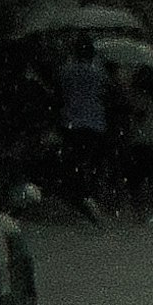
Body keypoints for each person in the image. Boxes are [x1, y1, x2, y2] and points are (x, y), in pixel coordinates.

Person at [57, 43, 112, 218]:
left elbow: (62, 92)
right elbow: (105, 93)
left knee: (75, 161)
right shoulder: (99, 74)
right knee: (93, 162)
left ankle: (79, 195)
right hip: (95, 124)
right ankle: (92, 194)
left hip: (72, 123)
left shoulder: (67, 72)